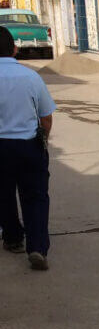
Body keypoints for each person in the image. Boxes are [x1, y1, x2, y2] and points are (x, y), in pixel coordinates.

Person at [0, 25, 55, 270]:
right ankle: (37, 247)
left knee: (3, 196)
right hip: (29, 146)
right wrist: (42, 140)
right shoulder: (31, 77)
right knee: (35, 197)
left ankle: (13, 238)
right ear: (14, 49)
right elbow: (46, 117)